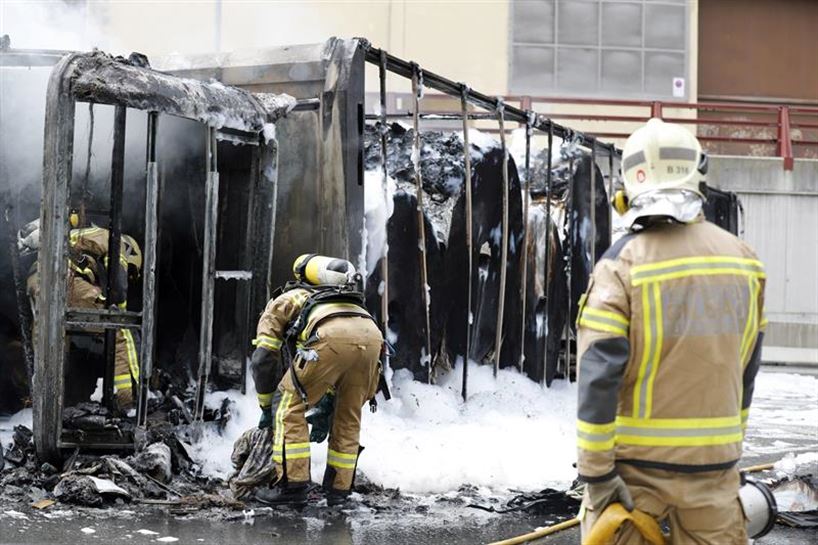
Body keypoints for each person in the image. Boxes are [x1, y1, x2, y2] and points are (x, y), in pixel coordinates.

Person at [576, 118, 765, 544]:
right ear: (697, 174)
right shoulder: (744, 261)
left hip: (633, 479)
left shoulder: (621, 266)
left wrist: (597, 475)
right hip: (714, 478)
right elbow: (746, 370)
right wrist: (724, 452)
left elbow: (597, 380)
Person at [250, 254, 383, 506]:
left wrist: (268, 406)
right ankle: (339, 491)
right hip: (372, 336)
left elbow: (263, 359)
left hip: (329, 338)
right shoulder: (346, 300)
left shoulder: (287, 299)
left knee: (288, 405)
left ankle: (292, 489)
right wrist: (328, 404)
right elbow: (344, 359)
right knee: (348, 415)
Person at [24, 212, 143, 411]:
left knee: (53, 343)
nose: (130, 277)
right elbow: (119, 284)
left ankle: (49, 403)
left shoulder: (84, 236)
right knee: (120, 331)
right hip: (65, 278)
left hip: (37, 278)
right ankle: (129, 401)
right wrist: (115, 312)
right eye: (132, 270)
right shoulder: (116, 242)